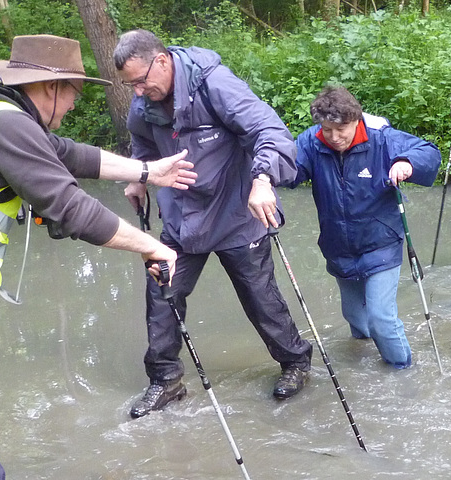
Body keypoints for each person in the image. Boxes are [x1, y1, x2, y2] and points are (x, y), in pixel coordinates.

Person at [0, 34, 198, 480]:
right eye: (74, 93)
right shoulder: (5, 125)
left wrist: (150, 171)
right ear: (51, 87)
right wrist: (153, 246)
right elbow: (71, 207)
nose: (74, 105)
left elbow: (70, 155)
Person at [113, 29, 313, 418]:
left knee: (260, 298)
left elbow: (269, 131)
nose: (137, 92)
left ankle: (295, 362)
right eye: (130, 85)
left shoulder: (214, 84)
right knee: (162, 293)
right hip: (181, 219)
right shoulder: (143, 104)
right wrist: (139, 178)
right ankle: (165, 380)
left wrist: (262, 180)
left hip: (237, 210)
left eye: (141, 81)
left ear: (163, 60)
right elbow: (144, 147)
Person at [286, 86, 440, 369]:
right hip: (338, 245)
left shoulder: (381, 138)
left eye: (341, 128)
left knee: (381, 318)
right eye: (327, 129)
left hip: (380, 241)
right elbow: (290, 171)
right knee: (355, 318)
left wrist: (407, 162)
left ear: (356, 119)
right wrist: (263, 177)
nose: (334, 137)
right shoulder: (311, 142)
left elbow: (428, 152)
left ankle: (402, 372)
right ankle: (364, 367)